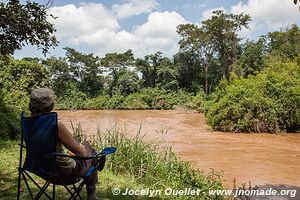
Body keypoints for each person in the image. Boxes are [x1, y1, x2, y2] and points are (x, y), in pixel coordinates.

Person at [29, 88, 99, 200]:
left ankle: (93, 184)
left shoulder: (28, 122)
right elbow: (79, 151)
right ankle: (91, 192)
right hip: (62, 173)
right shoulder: (55, 124)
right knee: (90, 151)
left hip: (40, 168)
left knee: (89, 153)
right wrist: (83, 147)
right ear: (51, 105)